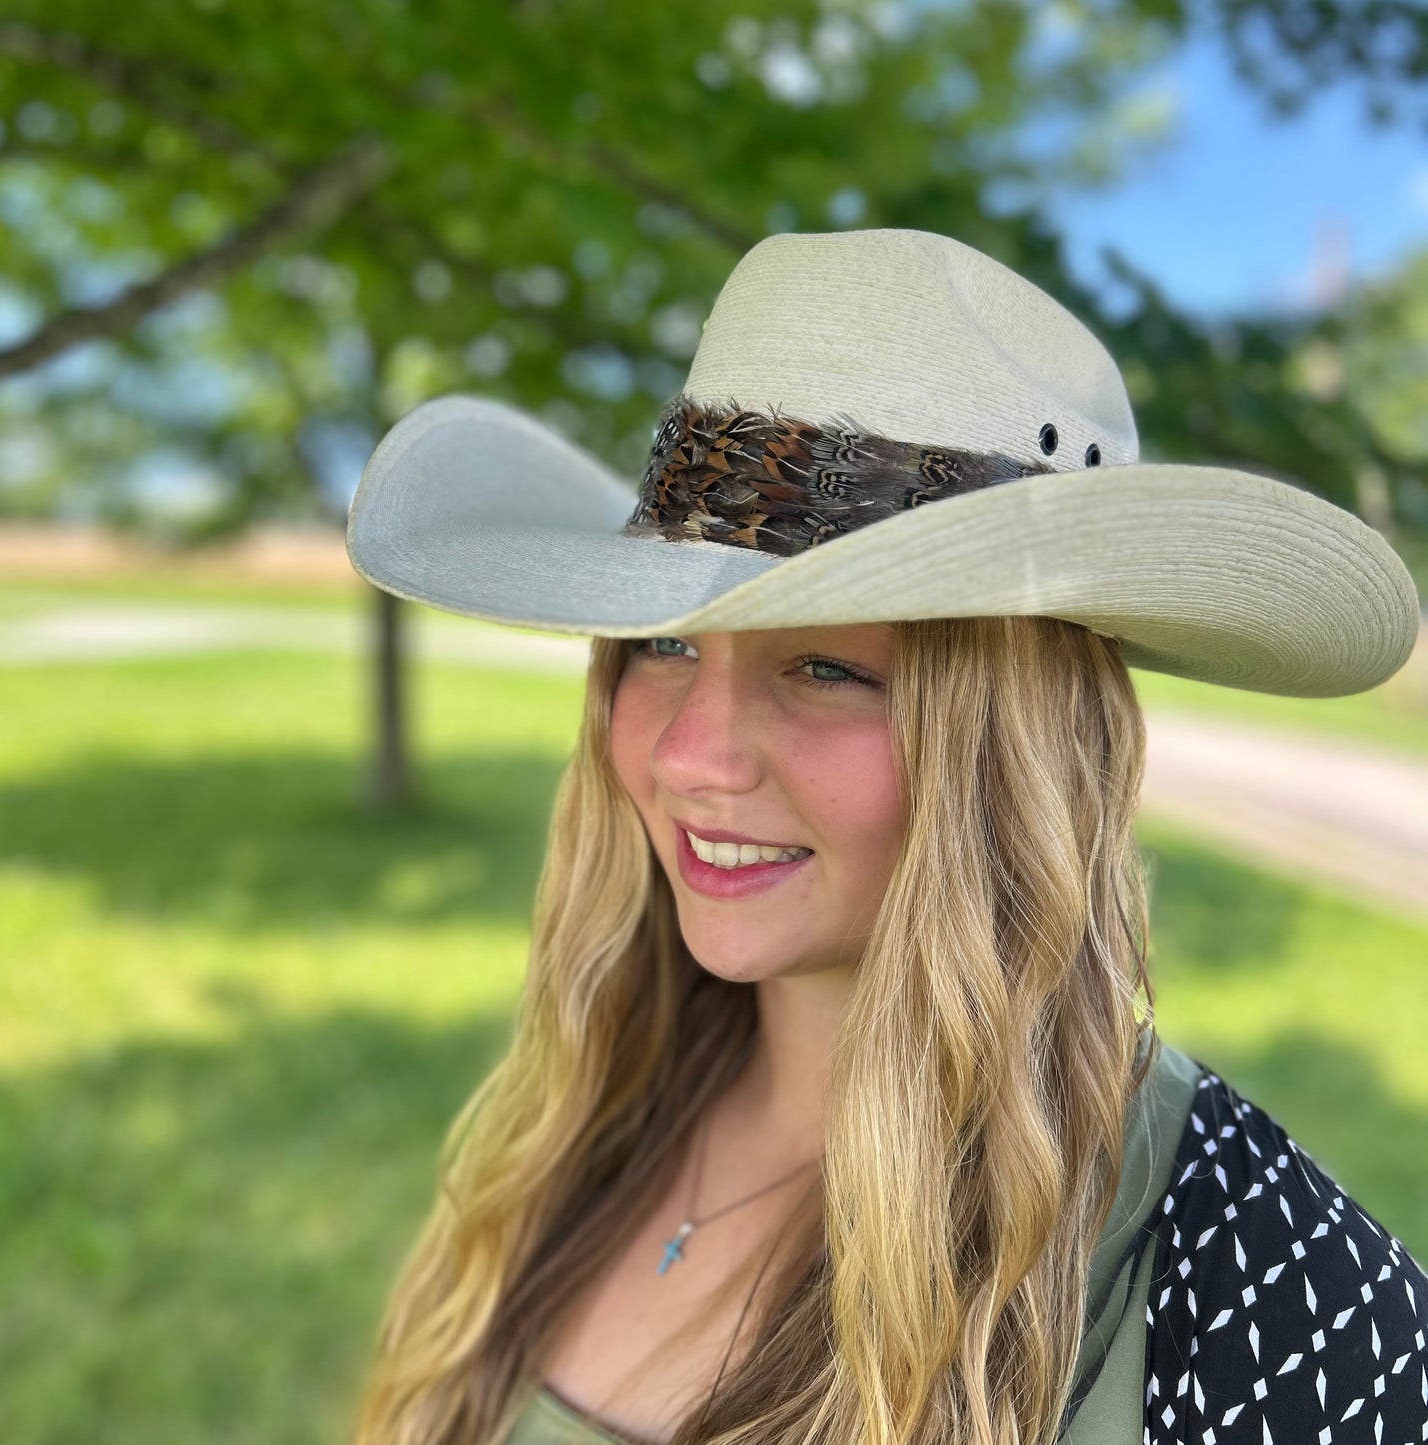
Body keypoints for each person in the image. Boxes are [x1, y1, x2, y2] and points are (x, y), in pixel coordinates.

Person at [344, 228, 1428, 1445]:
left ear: (1009, 752)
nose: (691, 754)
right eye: (661, 645)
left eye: (824, 666)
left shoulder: (1277, 1302)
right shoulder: (588, 1102)